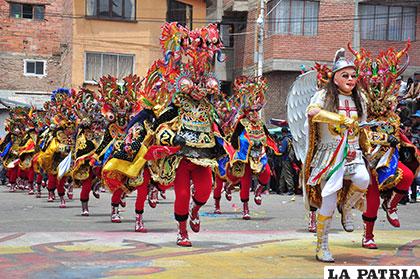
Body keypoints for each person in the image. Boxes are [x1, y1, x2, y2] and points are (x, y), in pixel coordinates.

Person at [348, 43, 419, 249]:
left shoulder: (393, 117)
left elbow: (397, 136)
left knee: (406, 176)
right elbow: (362, 136)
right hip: (368, 163)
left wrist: (406, 144)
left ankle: (391, 205)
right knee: (371, 201)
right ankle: (368, 236)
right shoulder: (361, 116)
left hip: (390, 160)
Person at [305, 48, 370, 262]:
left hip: (353, 153)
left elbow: (362, 127)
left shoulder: (359, 98)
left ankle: (348, 207)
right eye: (345, 75)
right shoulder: (324, 95)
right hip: (329, 155)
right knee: (328, 202)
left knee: (363, 179)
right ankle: (322, 246)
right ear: (335, 78)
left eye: (353, 76)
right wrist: (340, 120)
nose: (350, 79)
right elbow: (312, 112)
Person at [278, 127, 295, 195]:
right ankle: (280, 189)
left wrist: (279, 147)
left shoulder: (285, 140)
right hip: (288, 159)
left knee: (288, 174)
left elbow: (282, 150)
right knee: (282, 175)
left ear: (283, 132)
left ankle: (291, 189)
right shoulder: (290, 139)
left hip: (286, 159)